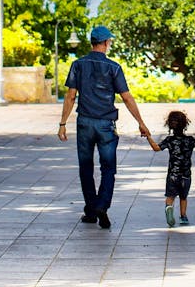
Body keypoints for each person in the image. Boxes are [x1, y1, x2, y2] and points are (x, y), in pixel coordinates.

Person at [57, 25, 151, 229]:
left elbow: (71, 96)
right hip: (106, 125)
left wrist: (63, 124)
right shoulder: (113, 67)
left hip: (84, 123)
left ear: (92, 43)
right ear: (106, 43)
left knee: (86, 167)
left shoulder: (77, 65)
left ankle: (91, 210)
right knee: (108, 168)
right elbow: (126, 97)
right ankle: (102, 205)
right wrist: (141, 123)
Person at [147, 110, 195, 227]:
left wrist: (148, 136)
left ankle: (169, 208)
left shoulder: (169, 140)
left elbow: (156, 148)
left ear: (170, 125)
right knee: (183, 197)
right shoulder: (190, 140)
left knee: (170, 197)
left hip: (172, 176)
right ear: (185, 125)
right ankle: (183, 216)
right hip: (186, 175)